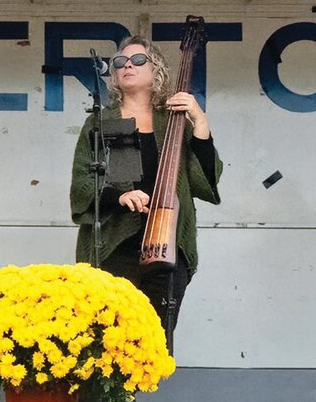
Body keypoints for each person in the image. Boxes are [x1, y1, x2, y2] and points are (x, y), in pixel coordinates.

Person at [68, 36, 222, 343]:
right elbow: (83, 182)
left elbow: (204, 178)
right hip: (115, 247)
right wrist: (120, 195)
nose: (127, 66)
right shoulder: (103, 121)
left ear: (156, 71)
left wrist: (200, 120)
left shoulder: (173, 121)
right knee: (108, 344)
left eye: (138, 61)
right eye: (120, 62)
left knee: (151, 343)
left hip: (167, 247)